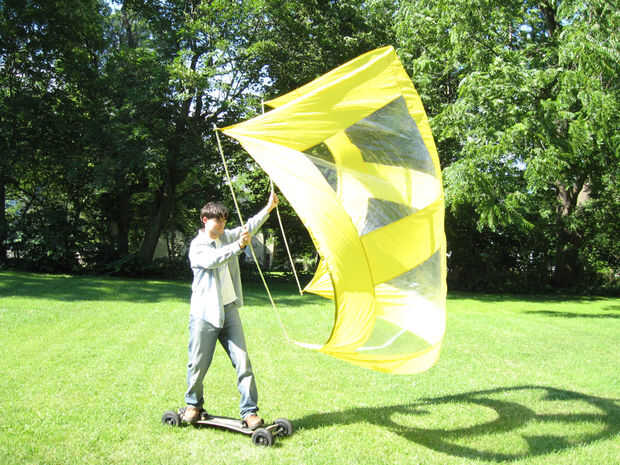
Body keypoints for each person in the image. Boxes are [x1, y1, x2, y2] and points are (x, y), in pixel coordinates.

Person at [183, 191, 279, 429]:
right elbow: (215, 259)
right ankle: (193, 405)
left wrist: (269, 207)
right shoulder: (197, 246)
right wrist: (238, 246)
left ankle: (250, 412)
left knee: (243, 362)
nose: (222, 224)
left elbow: (249, 227)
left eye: (224, 220)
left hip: (229, 311)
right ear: (205, 220)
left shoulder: (226, 236)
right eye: (218, 220)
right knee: (197, 364)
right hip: (205, 314)